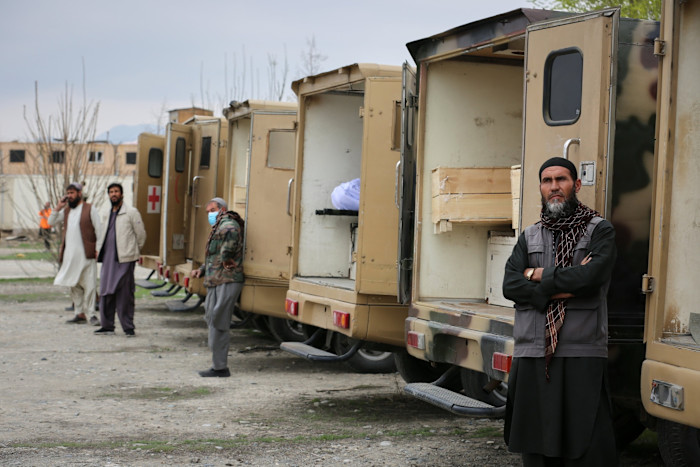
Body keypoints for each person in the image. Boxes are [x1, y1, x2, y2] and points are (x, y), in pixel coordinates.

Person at [502, 157, 618, 466]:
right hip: (533, 349)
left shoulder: (600, 230)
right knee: (536, 441)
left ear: (576, 185)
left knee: (587, 443)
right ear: (540, 188)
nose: (554, 186)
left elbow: (592, 279)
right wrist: (565, 284)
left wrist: (537, 275)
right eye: (547, 181)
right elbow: (510, 286)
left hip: (582, 348)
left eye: (562, 179)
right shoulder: (529, 236)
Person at [190, 197, 244, 377]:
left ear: (221, 209)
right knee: (212, 318)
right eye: (208, 212)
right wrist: (202, 270)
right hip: (216, 279)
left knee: (219, 321)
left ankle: (220, 367)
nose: (209, 215)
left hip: (227, 279)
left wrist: (226, 262)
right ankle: (217, 365)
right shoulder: (218, 227)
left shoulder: (228, 225)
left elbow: (226, 253)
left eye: (211, 210)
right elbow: (213, 257)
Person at [94, 183, 146, 337]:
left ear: (122, 194)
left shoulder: (131, 212)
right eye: (111, 192)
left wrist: (133, 252)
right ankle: (107, 325)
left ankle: (128, 327)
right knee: (105, 291)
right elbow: (102, 234)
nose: (113, 194)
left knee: (124, 294)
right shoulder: (107, 213)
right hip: (108, 259)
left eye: (116, 191)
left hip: (125, 259)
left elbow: (141, 235)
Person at [49, 182, 102, 325]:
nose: (69, 196)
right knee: (74, 285)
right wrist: (58, 207)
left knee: (90, 286)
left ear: (79, 194)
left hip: (86, 255)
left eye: (72, 193)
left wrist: (98, 249)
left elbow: (99, 230)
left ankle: (92, 315)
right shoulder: (66, 211)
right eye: (68, 193)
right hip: (70, 257)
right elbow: (50, 221)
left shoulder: (90, 209)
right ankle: (79, 314)